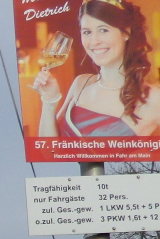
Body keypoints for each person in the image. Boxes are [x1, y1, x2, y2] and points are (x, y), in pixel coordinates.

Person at [33, 0, 160, 137]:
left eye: (103, 30)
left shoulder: (154, 99)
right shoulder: (81, 83)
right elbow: (48, 153)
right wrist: (49, 101)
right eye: (87, 32)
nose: (94, 41)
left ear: (126, 33)